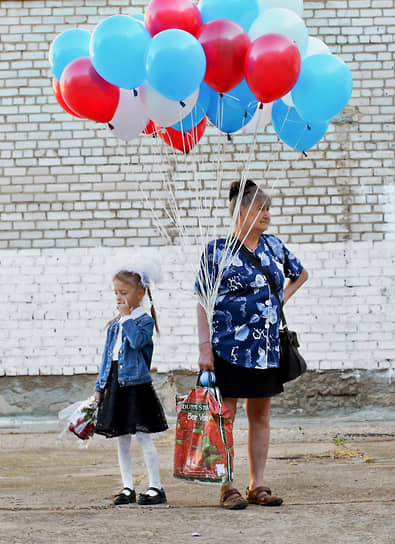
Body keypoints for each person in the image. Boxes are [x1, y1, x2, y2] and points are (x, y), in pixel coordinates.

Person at [196, 180, 308, 510]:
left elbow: (300, 274)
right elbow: (202, 301)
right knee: (225, 415)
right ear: (241, 211)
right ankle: (226, 486)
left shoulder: (274, 246)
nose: (267, 214)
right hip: (228, 347)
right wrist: (204, 348)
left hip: (266, 348)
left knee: (260, 415)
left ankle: (257, 485)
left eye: (268, 208)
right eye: (261, 208)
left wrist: (280, 300)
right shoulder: (216, 250)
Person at [94, 254, 168, 506]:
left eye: (123, 292)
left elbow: (138, 343)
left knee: (143, 437)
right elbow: (107, 358)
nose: (118, 297)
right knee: (122, 440)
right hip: (116, 385)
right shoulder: (115, 325)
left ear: (140, 293)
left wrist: (127, 319)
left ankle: (156, 487)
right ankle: (127, 487)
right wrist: (99, 387)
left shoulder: (143, 322)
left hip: (137, 387)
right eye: (116, 292)